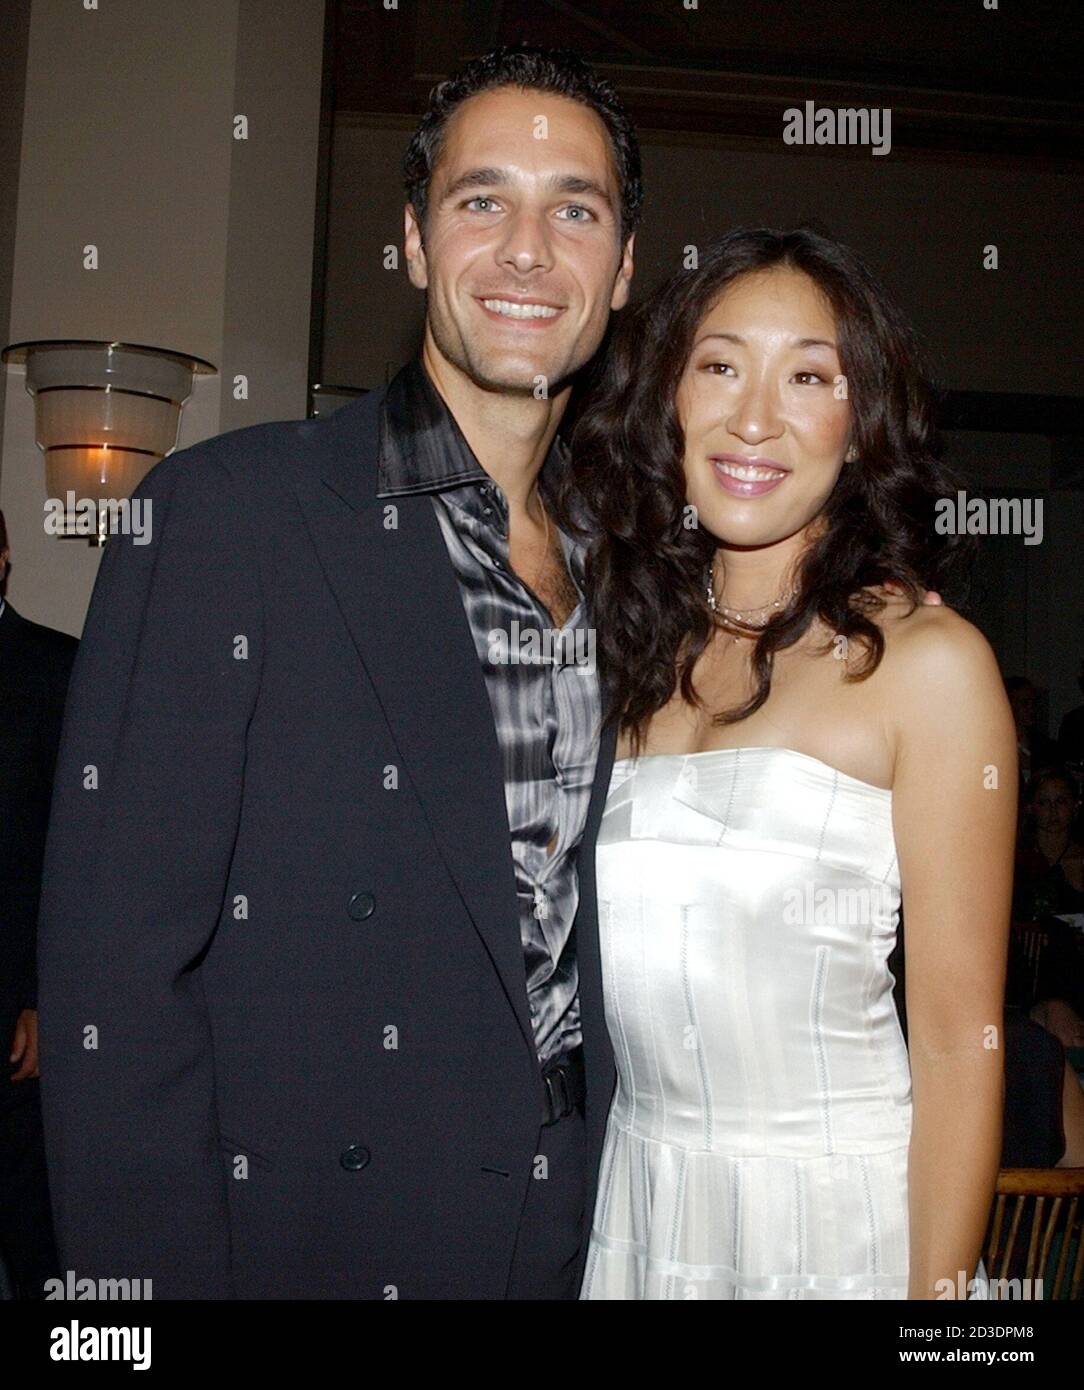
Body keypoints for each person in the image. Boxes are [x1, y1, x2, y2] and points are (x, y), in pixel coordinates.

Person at [38, 43, 638, 1300]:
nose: (527, 250)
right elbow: (118, 978)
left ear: (623, 267)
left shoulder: (630, 561)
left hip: (583, 1225)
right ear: (414, 243)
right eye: (482, 202)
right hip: (316, 1235)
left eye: (572, 209)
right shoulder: (226, 516)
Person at [560, 227, 1016, 1299]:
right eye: (718, 365)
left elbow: (959, 1043)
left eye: (808, 376)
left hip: (844, 1224)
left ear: (857, 425)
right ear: (668, 397)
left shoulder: (930, 664)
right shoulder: (620, 650)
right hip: (640, 1203)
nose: (752, 415)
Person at [0, 509, 73, 1297]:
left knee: (40, 1244)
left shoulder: (56, 670)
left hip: (17, 1025)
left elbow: (76, 857)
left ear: (5, 553)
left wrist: (46, 1001)